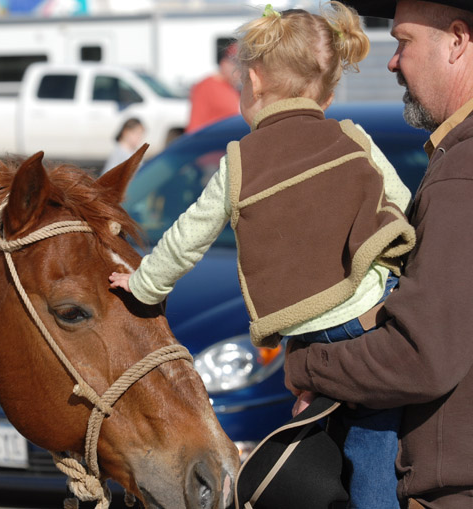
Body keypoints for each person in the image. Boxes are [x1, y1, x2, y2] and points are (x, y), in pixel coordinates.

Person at [109, 3, 417, 508]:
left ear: (252, 82)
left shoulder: (239, 164)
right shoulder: (352, 138)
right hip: (368, 318)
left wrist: (143, 285)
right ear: (330, 91)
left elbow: (187, 237)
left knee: (308, 437)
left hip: (310, 332)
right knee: (373, 441)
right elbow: (404, 208)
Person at [284, 1, 473, 508]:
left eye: (403, 41)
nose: (392, 62)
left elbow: (421, 356)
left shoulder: (462, 174)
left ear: (457, 41)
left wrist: (308, 366)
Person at [185, 40, 241, 133]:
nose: (239, 73)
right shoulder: (206, 86)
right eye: (237, 67)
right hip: (210, 142)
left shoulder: (232, 88)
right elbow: (195, 125)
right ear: (224, 63)